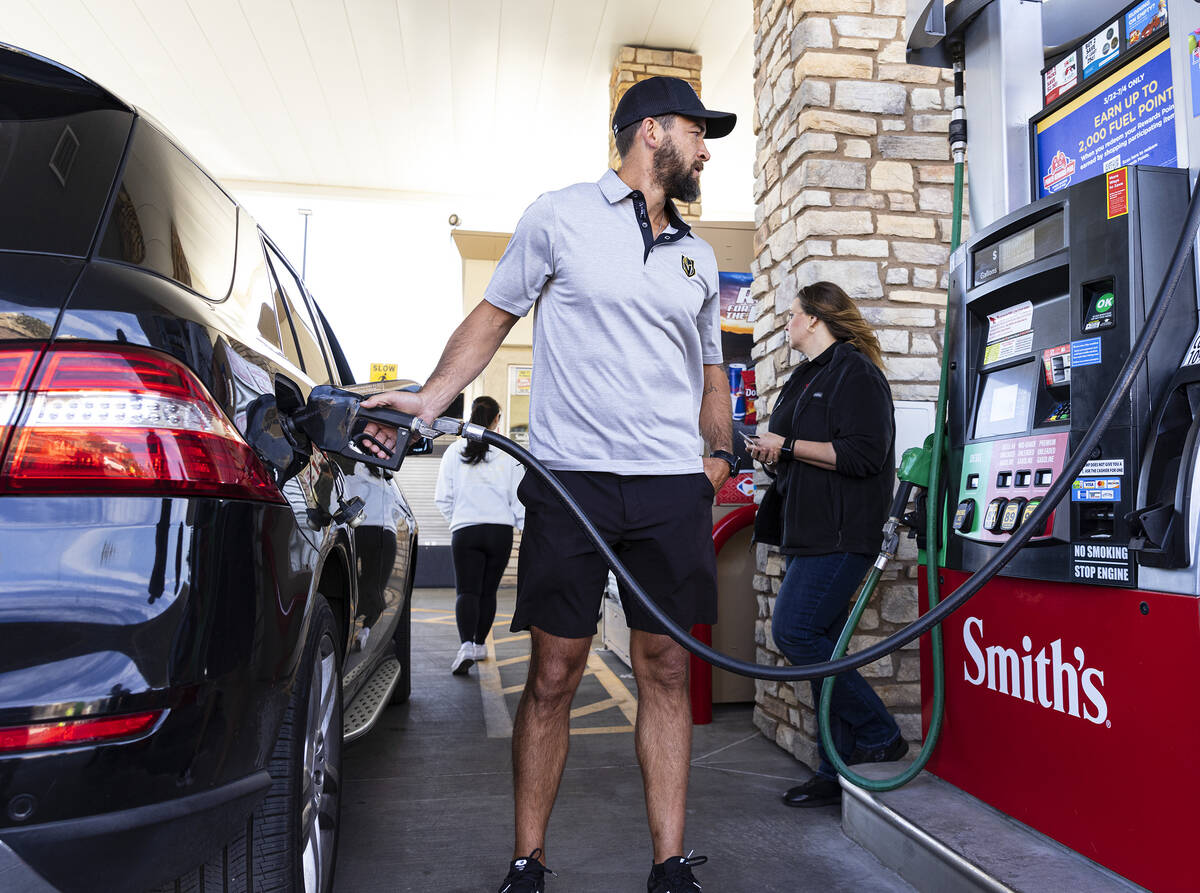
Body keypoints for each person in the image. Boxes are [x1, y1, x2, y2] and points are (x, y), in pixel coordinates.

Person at [359, 76, 737, 893]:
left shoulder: (699, 256)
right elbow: (492, 317)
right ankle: (527, 860)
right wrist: (429, 400)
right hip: (572, 485)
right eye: (697, 131)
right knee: (556, 670)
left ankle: (670, 865)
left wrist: (720, 459)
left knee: (667, 667)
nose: (707, 148)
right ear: (649, 132)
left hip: (671, 487)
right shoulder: (559, 215)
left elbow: (712, 374)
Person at [746, 280, 909, 809]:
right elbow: (799, 449)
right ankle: (833, 769)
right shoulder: (806, 376)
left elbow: (865, 455)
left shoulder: (857, 373)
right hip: (807, 532)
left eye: (792, 315)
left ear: (815, 318)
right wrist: (774, 453)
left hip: (842, 535)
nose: (786, 323)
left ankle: (880, 733)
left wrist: (786, 444)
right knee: (827, 651)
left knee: (795, 632)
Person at [435, 395, 525, 675]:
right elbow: (518, 500)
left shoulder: (453, 452)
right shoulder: (508, 452)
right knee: (488, 591)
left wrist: (459, 520)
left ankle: (465, 646)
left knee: (467, 590)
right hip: (499, 532)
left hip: (466, 530)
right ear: (497, 419)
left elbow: (443, 498)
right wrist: (522, 527)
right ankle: (480, 644)